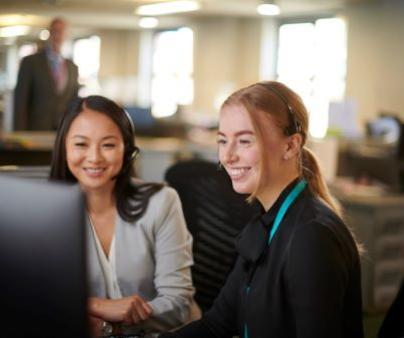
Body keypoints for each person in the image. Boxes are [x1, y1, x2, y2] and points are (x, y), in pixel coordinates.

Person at [159, 81, 364, 338]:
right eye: (223, 141)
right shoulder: (266, 222)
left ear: (290, 146)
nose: (228, 156)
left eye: (244, 141)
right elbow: (216, 326)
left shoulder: (311, 236)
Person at [49, 95, 200, 337]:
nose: (95, 157)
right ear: (64, 147)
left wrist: (111, 326)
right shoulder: (48, 214)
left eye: (108, 145)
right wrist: (98, 305)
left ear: (127, 150)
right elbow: (41, 298)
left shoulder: (161, 202)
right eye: (81, 144)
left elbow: (178, 303)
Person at [14, 17, 79, 131]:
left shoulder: (72, 67)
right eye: (54, 31)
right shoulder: (30, 62)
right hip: (35, 129)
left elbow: (74, 102)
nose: (58, 35)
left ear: (67, 35)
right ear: (49, 33)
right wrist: (19, 133)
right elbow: (20, 100)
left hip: (63, 130)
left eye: (61, 31)